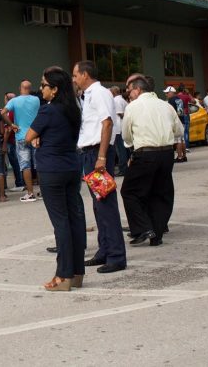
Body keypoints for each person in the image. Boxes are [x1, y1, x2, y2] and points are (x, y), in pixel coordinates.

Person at [25, 66, 85, 291]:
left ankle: (63, 275)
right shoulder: (73, 109)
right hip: (71, 166)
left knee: (61, 222)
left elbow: (28, 136)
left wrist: (37, 137)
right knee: (74, 219)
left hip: (52, 169)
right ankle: (77, 273)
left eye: (44, 85)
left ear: (55, 89)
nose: (41, 89)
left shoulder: (48, 111)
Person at [73, 61, 126, 274]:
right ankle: (104, 250)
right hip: (89, 153)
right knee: (98, 205)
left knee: (106, 205)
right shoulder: (89, 95)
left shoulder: (100, 93)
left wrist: (102, 156)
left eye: (76, 75)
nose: (74, 79)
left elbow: (107, 123)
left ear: (85, 74)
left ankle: (116, 256)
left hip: (97, 153)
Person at [121, 76, 184, 247]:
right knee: (160, 193)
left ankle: (143, 227)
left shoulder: (132, 107)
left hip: (145, 153)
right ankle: (157, 233)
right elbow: (179, 130)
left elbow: (126, 135)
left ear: (138, 89)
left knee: (129, 192)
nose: (129, 94)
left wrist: (132, 144)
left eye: (129, 90)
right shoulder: (166, 105)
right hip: (166, 153)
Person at [3, 81, 41, 202]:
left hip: (21, 136)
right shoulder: (36, 100)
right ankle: (43, 191)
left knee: (25, 166)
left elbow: (2, 113)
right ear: (30, 88)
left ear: (20, 88)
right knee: (39, 164)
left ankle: (30, 193)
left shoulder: (14, 101)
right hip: (35, 135)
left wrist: (11, 124)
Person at [163, 87, 188, 160]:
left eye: (167, 93)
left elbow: (170, 112)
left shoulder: (171, 100)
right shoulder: (179, 99)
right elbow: (181, 112)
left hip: (176, 122)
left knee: (177, 140)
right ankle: (184, 156)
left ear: (172, 92)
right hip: (182, 121)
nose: (166, 94)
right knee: (182, 139)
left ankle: (179, 157)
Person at [110, 86, 130, 176]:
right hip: (121, 127)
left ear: (114, 92)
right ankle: (125, 167)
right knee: (124, 149)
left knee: (120, 150)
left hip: (118, 128)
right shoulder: (122, 100)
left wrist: (124, 117)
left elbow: (120, 113)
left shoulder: (116, 100)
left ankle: (123, 169)